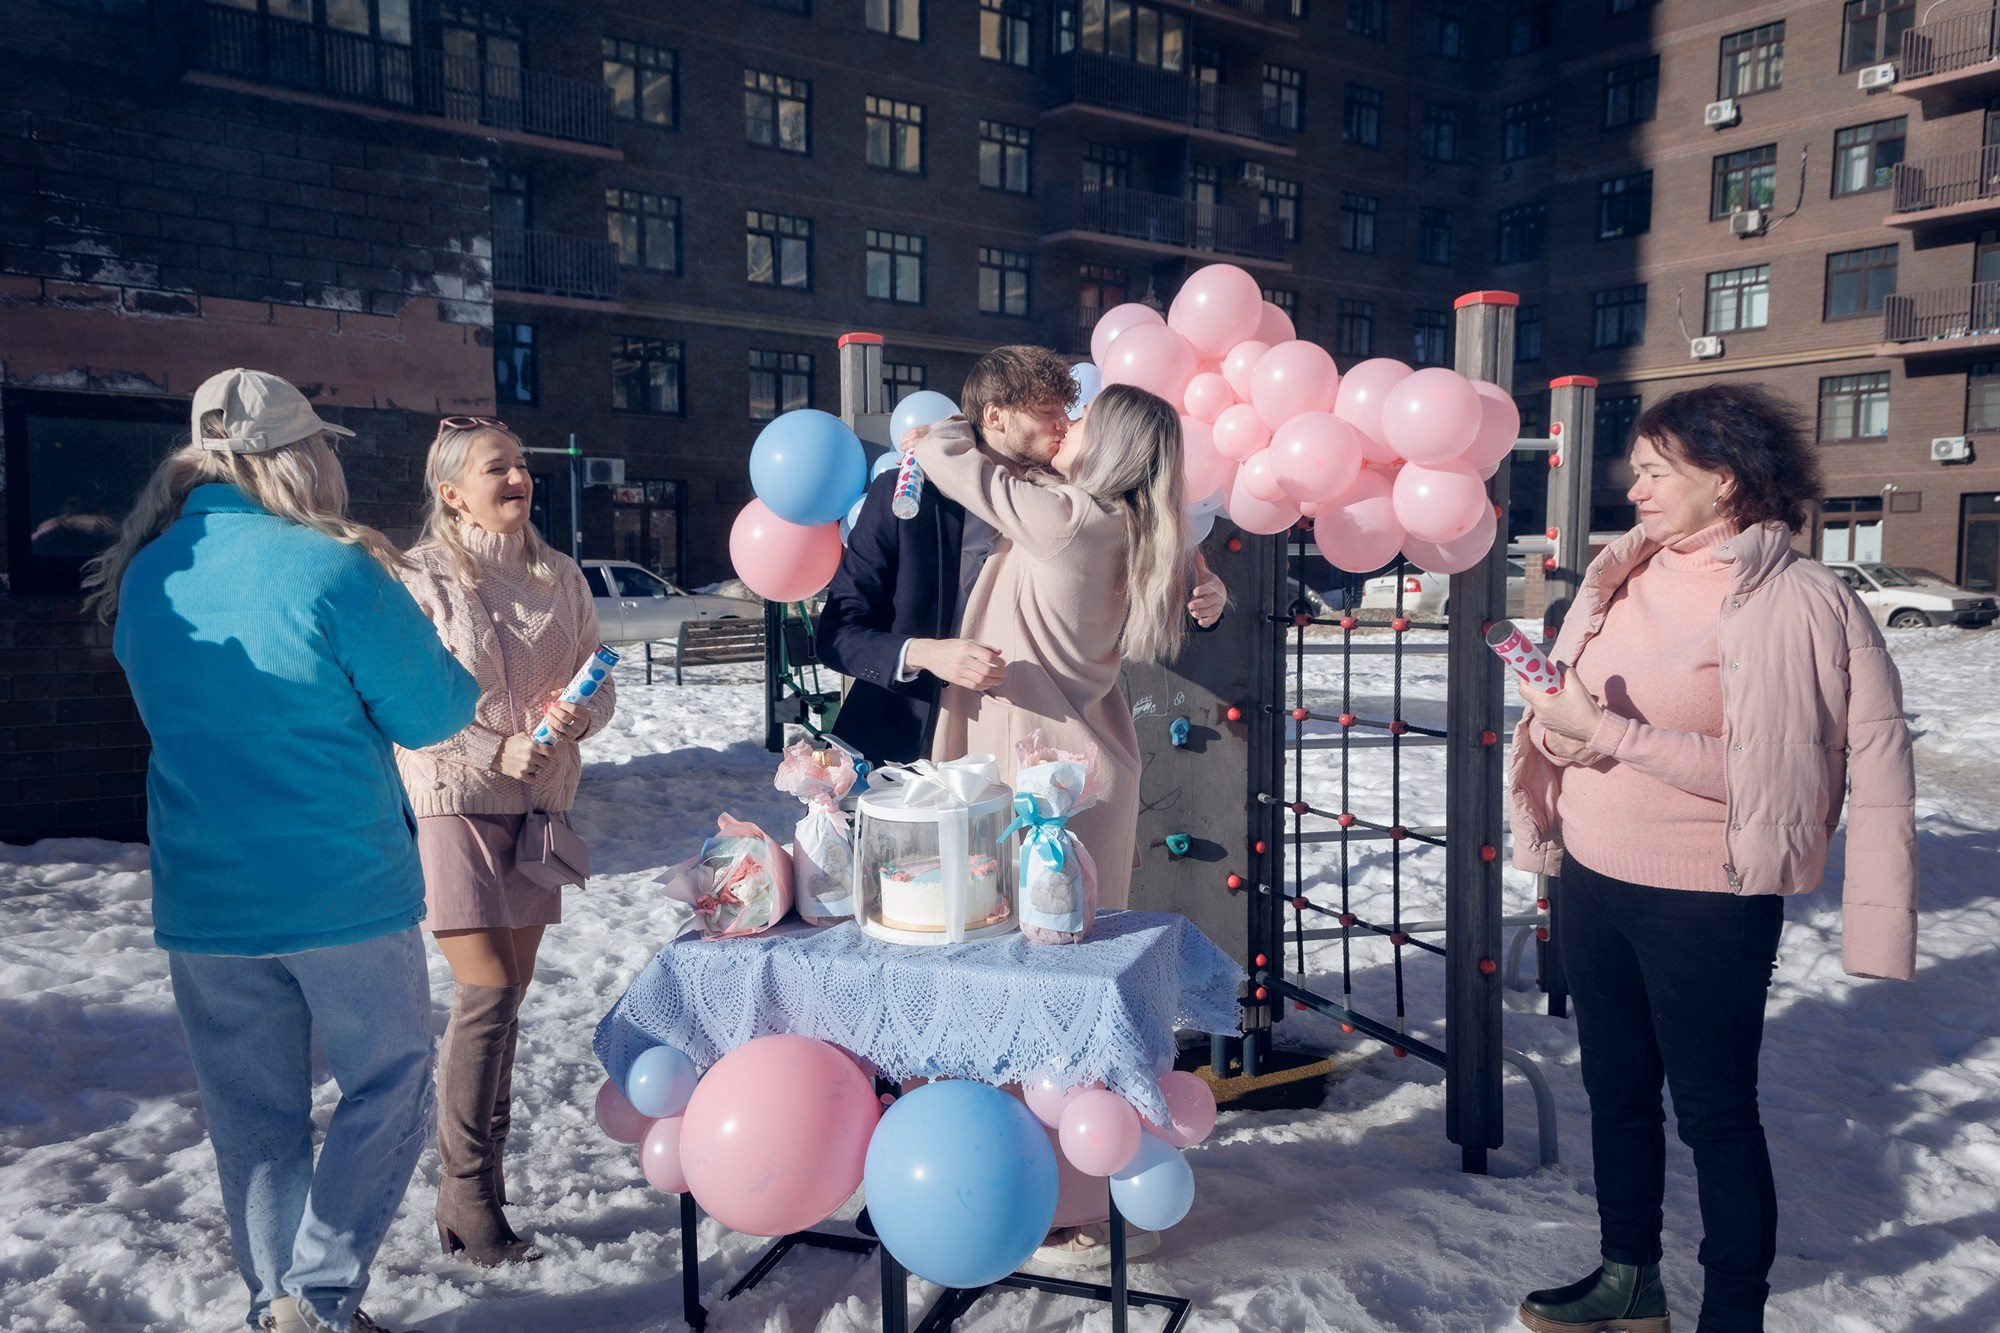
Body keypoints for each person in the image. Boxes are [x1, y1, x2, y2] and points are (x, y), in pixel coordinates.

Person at [1507, 384, 1917, 1333]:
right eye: (1637, 471)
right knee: (1616, 1095)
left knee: (1715, 1115)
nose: (1636, 489)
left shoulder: (1806, 603)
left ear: (1725, 479)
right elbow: (1575, 717)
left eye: (1656, 471)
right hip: (1597, 878)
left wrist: (1603, 731)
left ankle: (1732, 1315)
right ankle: (1628, 1279)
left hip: (1705, 902)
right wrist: (1562, 735)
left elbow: (1788, 782)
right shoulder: (1622, 576)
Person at [86, 368, 478, 1333]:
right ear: (297, 456)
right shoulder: (333, 567)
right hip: (337, 884)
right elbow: (436, 713)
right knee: (387, 1081)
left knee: (252, 1119)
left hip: (205, 895)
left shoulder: (149, 572)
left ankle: (281, 1310)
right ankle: (318, 1295)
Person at [395, 418, 616, 1266]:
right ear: (452, 491)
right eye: (499, 467)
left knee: (510, 998)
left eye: (522, 464)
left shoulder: (560, 575)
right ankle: (467, 1195)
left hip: (539, 810)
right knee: (484, 995)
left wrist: (578, 717)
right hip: (456, 799)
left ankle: (479, 1191)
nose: (519, 476)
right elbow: (408, 698)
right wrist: (496, 746)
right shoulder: (420, 578)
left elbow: (598, 677)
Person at [819, 345, 1225, 766]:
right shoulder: (905, 497)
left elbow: (1143, 546)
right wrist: (923, 654)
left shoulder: (1068, 503)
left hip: (1019, 757)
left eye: (1068, 412)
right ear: (995, 416)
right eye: (1048, 411)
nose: (1063, 424)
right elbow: (836, 634)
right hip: (900, 749)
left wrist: (1202, 583)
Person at [908, 380, 1204, 914]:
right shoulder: (1127, 522)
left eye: (1085, 416)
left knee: (1004, 966)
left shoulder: (1067, 522)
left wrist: (952, 427)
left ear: (1110, 442)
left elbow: (947, 459)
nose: (1068, 422)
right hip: (1087, 782)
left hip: (1039, 788)